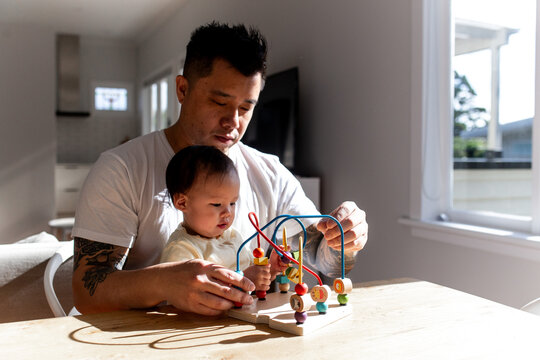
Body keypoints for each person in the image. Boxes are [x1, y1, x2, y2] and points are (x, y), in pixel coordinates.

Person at [72, 21, 368, 316]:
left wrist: (345, 241)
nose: (233, 121)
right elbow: (87, 292)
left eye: (245, 108)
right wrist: (164, 282)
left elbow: (322, 258)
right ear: (182, 89)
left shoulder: (270, 175)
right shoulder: (121, 170)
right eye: (219, 101)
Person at [160, 145, 287, 292]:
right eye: (217, 204)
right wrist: (244, 279)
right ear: (182, 203)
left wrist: (269, 270)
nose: (228, 212)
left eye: (232, 203)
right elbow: (198, 297)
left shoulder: (232, 236)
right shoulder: (182, 250)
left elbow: (254, 276)